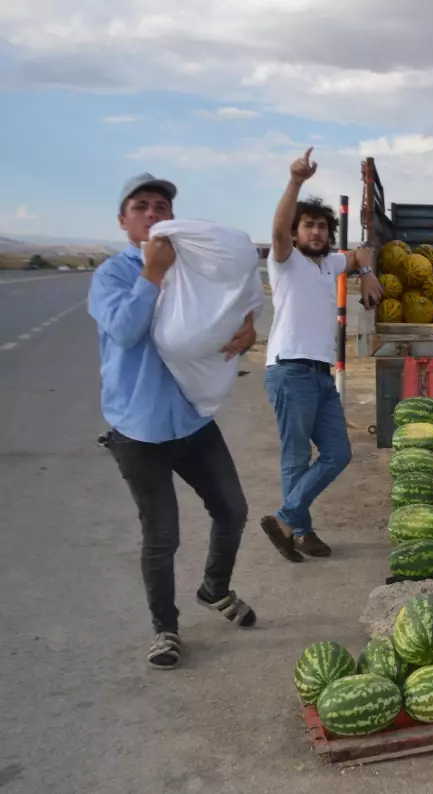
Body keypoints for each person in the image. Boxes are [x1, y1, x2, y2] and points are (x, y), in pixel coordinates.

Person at [90, 173, 258, 671]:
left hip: (191, 419)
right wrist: (153, 273)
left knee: (232, 510)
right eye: (140, 206)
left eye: (162, 206)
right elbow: (123, 330)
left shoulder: (193, 270)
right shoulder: (113, 275)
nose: (153, 214)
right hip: (138, 430)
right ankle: (165, 628)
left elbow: (233, 305)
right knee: (162, 535)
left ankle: (215, 589)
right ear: (124, 221)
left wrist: (247, 330)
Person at [258, 149, 384, 562]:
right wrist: (295, 181)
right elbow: (277, 228)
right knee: (296, 457)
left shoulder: (329, 263)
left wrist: (366, 275)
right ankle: (301, 532)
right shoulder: (286, 260)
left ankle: (287, 519)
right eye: (308, 226)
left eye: (323, 227)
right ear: (295, 234)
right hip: (289, 369)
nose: (316, 232)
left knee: (338, 453)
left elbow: (363, 251)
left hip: (320, 372)